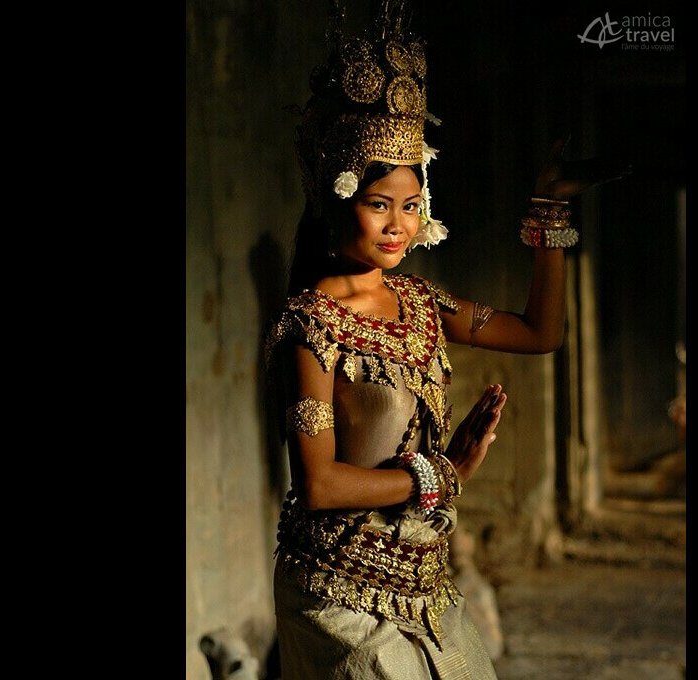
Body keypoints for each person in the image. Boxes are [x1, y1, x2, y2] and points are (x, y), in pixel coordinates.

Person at [264, 3, 623, 678]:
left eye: (410, 204)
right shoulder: (310, 325)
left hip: (427, 589)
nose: (398, 225)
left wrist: (551, 213)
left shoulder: (423, 302)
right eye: (378, 204)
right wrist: (444, 472)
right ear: (335, 198)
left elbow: (542, 333)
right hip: (338, 600)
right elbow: (317, 484)